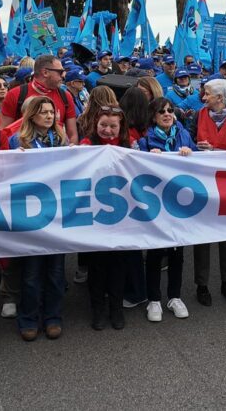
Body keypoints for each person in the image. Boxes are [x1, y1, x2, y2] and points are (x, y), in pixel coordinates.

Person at [9, 96, 68, 341]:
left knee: (56, 272)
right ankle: (29, 318)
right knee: (31, 273)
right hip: (31, 214)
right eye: (43, 112)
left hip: (57, 214)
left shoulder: (62, 140)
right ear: (31, 115)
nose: (49, 116)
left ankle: (53, 316)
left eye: (51, 112)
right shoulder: (18, 141)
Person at [137, 97, 196, 322]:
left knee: (177, 253)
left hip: (179, 202)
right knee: (155, 253)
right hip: (156, 204)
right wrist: (147, 158)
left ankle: (174, 296)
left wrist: (190, 153)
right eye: (161, 111)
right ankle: (153, 299)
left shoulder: (184, 135)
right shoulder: (145, 140)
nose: (167, 114)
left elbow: (198, 165)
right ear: (153, 116)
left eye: (170, 110)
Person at [79, 105, 137, 330]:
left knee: (118, 265)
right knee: (97, 266)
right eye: (103, 125)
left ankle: (116, 308)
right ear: (95, 124)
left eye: (113, 126)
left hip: (123, 216)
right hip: (95, 215)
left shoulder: (129, 146)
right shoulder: (86, 145)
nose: (108, 130)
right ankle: (97, 309)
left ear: (121, 127)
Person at [192, 78, 226, 306]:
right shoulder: (199, 115)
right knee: (202, 238)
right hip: (203, 186)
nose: (204, 98)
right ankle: (201, 285)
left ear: (220, 98)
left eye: (208, 94)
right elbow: (188, 142)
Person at [0, 55, 78, 145]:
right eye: (60, 72)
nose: (64, 75)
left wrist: (70, 155)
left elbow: (72, 135)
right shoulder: (15, 95)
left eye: (51, 112)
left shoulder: (66, 96)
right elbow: (3, 134)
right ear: (45, 72)